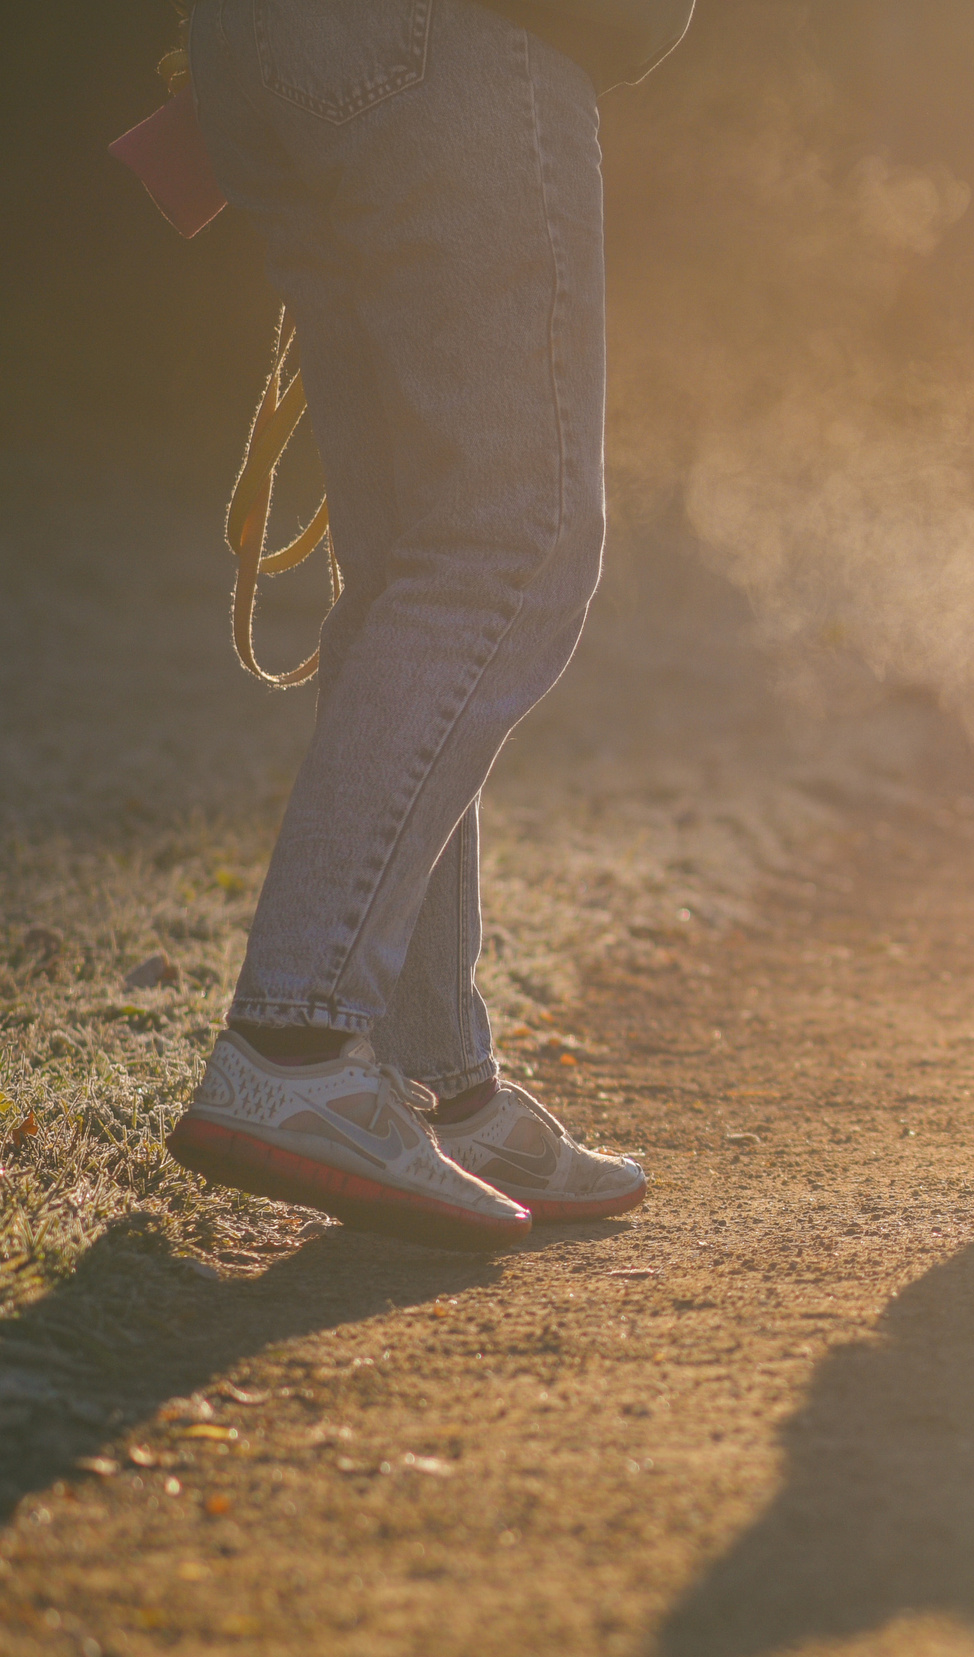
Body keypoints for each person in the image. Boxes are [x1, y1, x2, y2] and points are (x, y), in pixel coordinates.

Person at [165, 0, 692, 1250]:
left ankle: (426, 1080)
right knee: (512, 542)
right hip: (453, 43)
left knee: (411, 558)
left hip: (274, 47)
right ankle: (296, 1039)